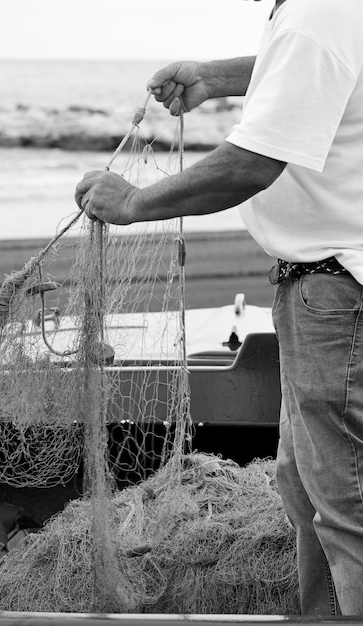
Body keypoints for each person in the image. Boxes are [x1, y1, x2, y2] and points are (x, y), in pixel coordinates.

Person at [75, 0, 363, 615]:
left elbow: (250, 165)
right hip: (329, 289)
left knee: (346, 505)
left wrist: (133, 202)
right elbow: (313, 71)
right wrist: (217, 77)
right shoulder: (327, 15)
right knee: (306, 487)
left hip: (338, 294)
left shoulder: (320, 9)